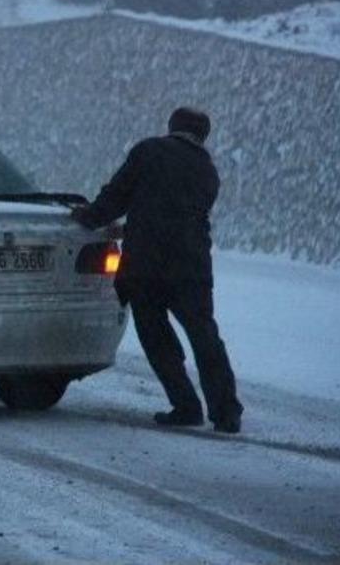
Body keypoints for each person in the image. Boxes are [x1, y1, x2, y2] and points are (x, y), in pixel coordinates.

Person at [71, 107, 243, 434]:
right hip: (192, 267)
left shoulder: (150, 151)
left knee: (156, 335)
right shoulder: (208, 170)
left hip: (147, 266)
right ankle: (226, 412)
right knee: (205, 336)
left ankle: (186, 405)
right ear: (202, 135)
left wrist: (90, 217)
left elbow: (118, 195)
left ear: (172, 126)